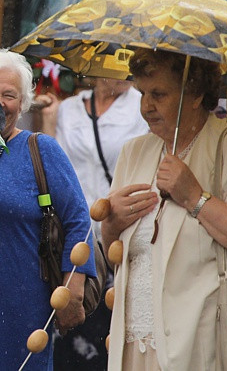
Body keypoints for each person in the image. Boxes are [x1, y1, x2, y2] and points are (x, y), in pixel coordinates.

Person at [101, 49, 227, 370]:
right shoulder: (134, 152)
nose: (146, 106)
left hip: (203, 346)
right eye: (141, 93)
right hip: (134, 345)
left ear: (196, 94)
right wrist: (111, 222)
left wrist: (196, 198)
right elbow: (114, 252)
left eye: (159, 94)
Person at [0, 49, 95, 370]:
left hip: (21, 306)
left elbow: (79, 221)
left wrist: (73, 288)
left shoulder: (41, 150)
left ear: (24, 103)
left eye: (9, 95)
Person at [38, 78, 148, 369]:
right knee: (69, 333)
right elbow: (53, 161)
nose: (119, 69)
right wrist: (48, 120)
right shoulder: (69, 109)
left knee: (108, 334)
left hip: (117, 235)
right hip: (72, 236)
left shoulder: (142, 106)